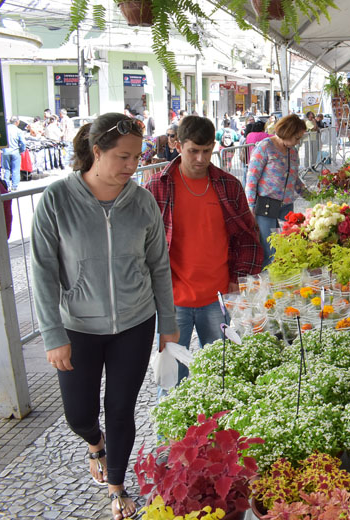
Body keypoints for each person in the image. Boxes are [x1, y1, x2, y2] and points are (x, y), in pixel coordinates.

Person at [31, 113, 178, 519]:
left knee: (120, 408)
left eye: (137, 157)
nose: (133, 166)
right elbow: (42, 271)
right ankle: (94, 443)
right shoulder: (57, 200)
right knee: (78, 413)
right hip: (77, 327)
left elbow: (159, 266)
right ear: (96, 153)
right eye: (123, 157)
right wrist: (51, 333)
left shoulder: (143, 201)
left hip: (135, 321)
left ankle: (117, 486)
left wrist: (168, 324)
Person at [145, 116, 263, 390]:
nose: (200, 158)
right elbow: (142, 245)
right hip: (174, 301)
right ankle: (171, 435)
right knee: (173, 381)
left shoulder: (228, 185)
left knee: (221, 375)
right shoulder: (156, 187)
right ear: (177, 145)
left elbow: (246, 236)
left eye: (207, 151)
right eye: (193, 151)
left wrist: (238, 277)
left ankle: (221, 429)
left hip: (218, 297)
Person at [246, 114, 308, 267]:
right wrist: (250, 208)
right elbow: (251, 180)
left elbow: (294, 178)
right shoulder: (265, 147)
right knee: (271, 250)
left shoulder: (292, 152)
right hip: (266, 206)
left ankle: (286, 283)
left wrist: (310, 195)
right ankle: (270, 284)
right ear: (288, 132)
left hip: (286, 207)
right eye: (297, 138)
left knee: (289, 247)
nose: (298, 142)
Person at [3, 116, 26, 190]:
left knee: (6, 169)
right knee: (15, 169)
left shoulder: (5, 129)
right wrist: (22, 150)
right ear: (17, 122)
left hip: (5, 152)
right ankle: (14, 186)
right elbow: (23, 143)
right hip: (15, 151)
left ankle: (6, 185)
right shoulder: (18, 131)